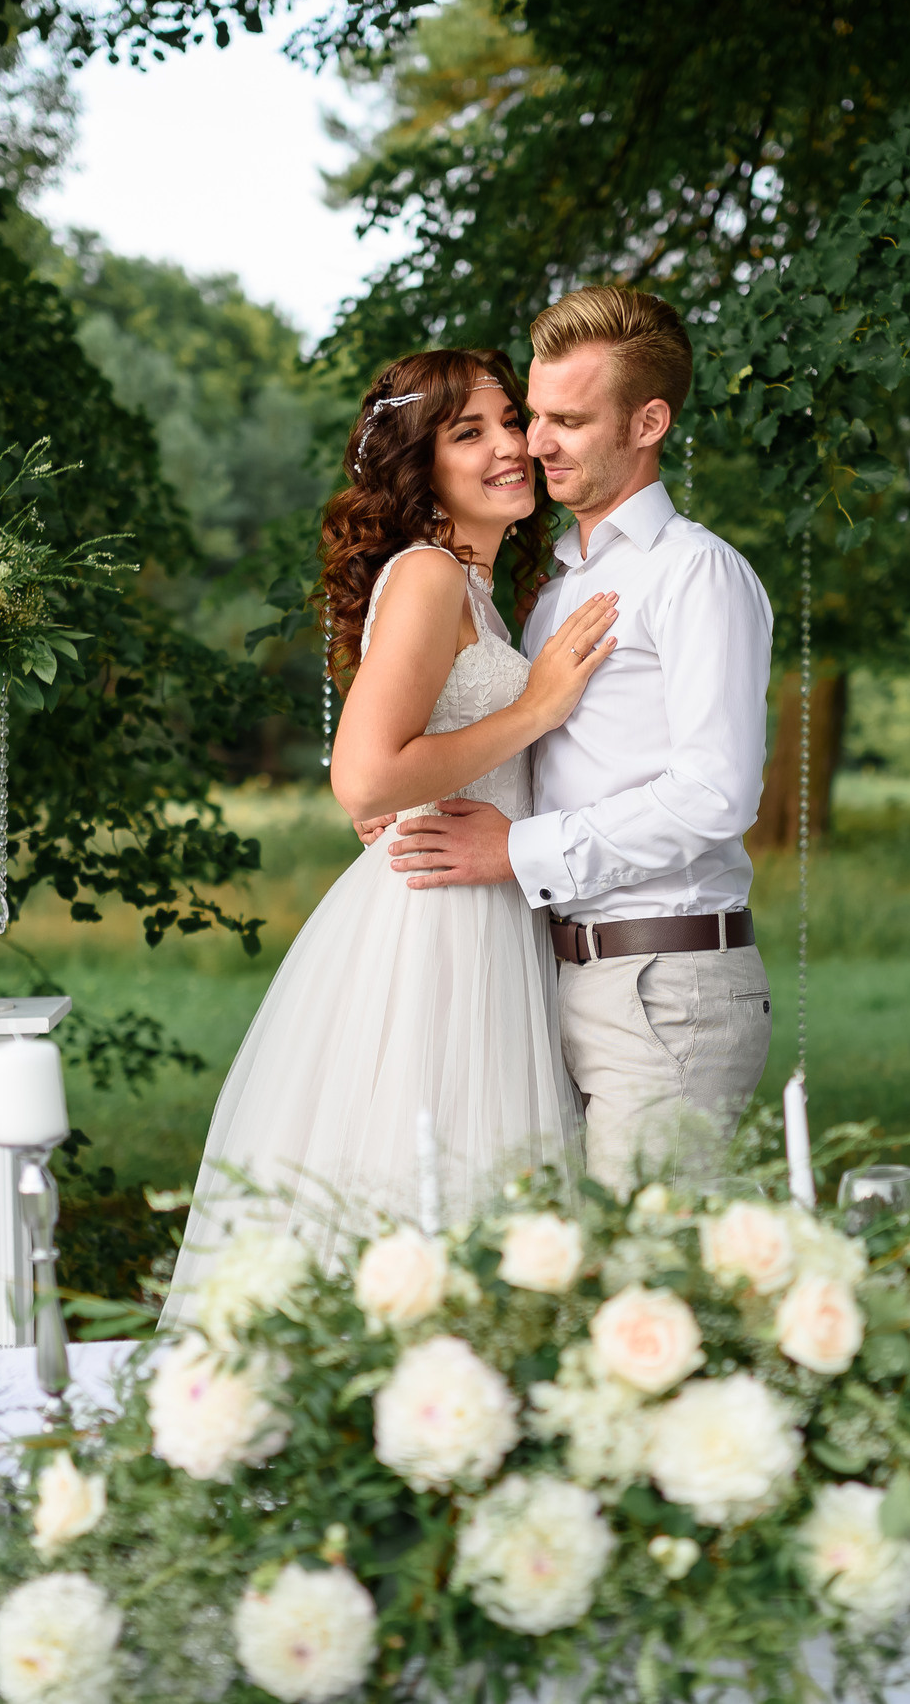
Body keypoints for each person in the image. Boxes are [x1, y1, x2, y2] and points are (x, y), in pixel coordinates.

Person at [161, 348, 619, 1318]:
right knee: (432, 1189)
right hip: (439, 926)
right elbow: (365, 771)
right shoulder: (425, 575)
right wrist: (534, 709)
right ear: (420, 469)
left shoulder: (478, 591)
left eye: (510, 422)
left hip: (483, 900)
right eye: (470, 433)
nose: (511, 446)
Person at [387, 288, 774, 1192]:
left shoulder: (697, 574)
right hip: (556, 976)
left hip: (666, 983)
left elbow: (716, 794)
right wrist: (415, 808)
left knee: (651, 1292)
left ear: (649, 421)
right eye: (534, 416)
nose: (534, 443)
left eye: (567, 419)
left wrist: (512, 851)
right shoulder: (556, 588)